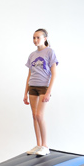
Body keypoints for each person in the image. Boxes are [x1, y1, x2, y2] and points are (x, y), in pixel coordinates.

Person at [23, 28, 58, 156]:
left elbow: (54, 74)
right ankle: (38, 145)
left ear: (45, 38)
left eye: (38, 37)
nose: (35, 40)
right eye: (34, 38)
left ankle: (45, 145)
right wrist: (25, 93)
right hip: (32, 86)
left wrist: (48, 91)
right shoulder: (32, 55)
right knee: (34, 115)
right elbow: (29, 75)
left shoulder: (50, 52)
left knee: (39, 115)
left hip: (43, 87)